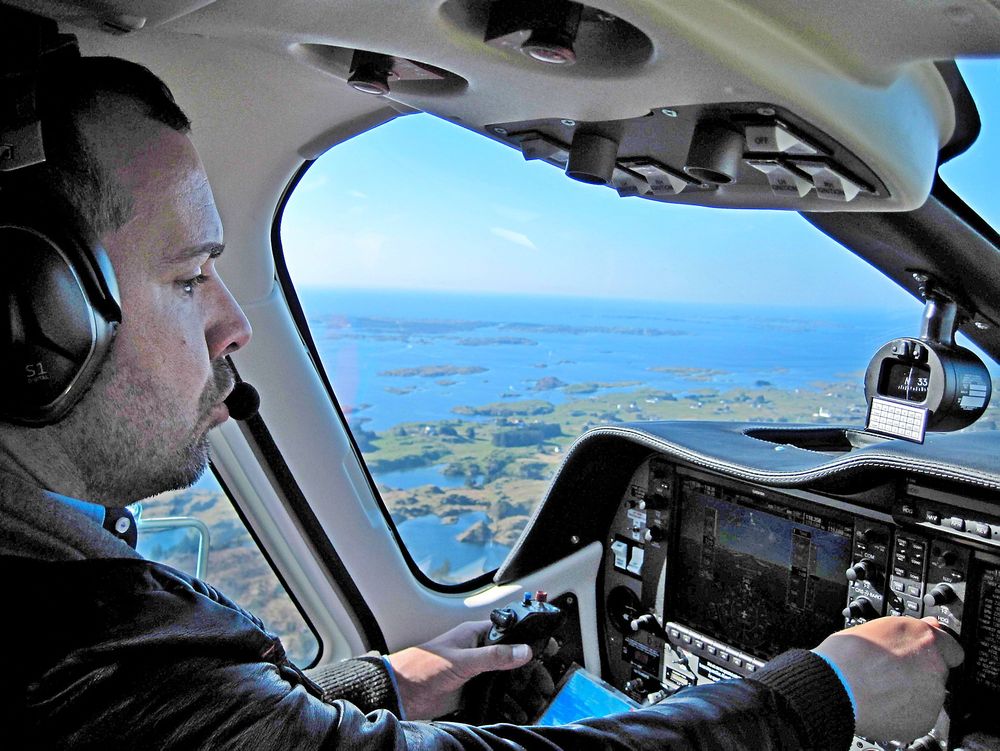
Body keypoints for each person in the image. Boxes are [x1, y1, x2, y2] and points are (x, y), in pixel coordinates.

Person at [0, 14, 963, 751]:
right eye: (187, 278)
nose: (233, 323)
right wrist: (825, 693)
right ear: (34, 315)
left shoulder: (75, 614)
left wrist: (374, 691)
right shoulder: (76, 645)